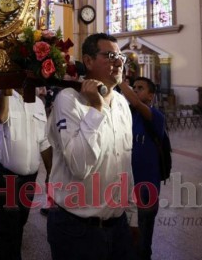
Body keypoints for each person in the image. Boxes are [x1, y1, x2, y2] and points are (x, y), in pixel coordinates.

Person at [47, 32, 138, 260]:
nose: (118, 62)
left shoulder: (121, 104)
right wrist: (96, 109)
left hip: (117, 225)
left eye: (120, 56)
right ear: (88, 61)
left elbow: (125, 162)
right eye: (109, 55)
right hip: (76, 228)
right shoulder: (69, 100)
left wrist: (133, 215)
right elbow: (80, 166)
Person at [0, 89, 51, 260]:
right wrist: (5, 90)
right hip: (3, 177)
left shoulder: (38, 102)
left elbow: (43, 141)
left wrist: (51, 173)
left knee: (19, 223)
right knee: (7, 233)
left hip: (29, 179)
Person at [120, 77, 165, 260]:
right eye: (134, 87)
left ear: (151, 95)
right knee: (126, 243)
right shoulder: (128, 116)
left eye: (140, 88)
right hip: (125, 191)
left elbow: (137, 103)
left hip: (146, 192)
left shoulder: (156, 117)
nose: (136, 90)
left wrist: (120, 82)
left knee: (142, 244)